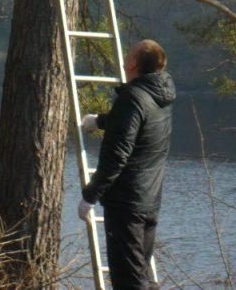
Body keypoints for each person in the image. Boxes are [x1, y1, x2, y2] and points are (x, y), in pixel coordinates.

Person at [78, 40, 175, 290]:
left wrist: (90, 195)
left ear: (132, 63)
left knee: (128, 282)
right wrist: (99, 121)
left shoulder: (133, 97)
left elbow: (118, 154)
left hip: (127, 205)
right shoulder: (159, 95)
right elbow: (133, 123)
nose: (124, 58)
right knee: (141, 276)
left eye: (128, 54)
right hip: (149, 200)